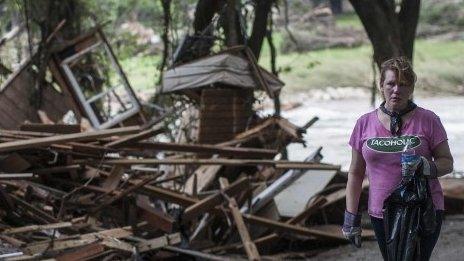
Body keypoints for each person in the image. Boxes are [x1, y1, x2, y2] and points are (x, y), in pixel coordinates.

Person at [342, 57, 454, 260]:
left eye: (403, 84)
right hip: (380, 211)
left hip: (423, 209)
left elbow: (447, 162)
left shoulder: (428, 120)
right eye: (391, 83)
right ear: (381, 85)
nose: (396, 90)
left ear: (411, 87)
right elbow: (355, 174)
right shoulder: (364, 123)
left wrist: (425, 166)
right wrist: (351, 218)